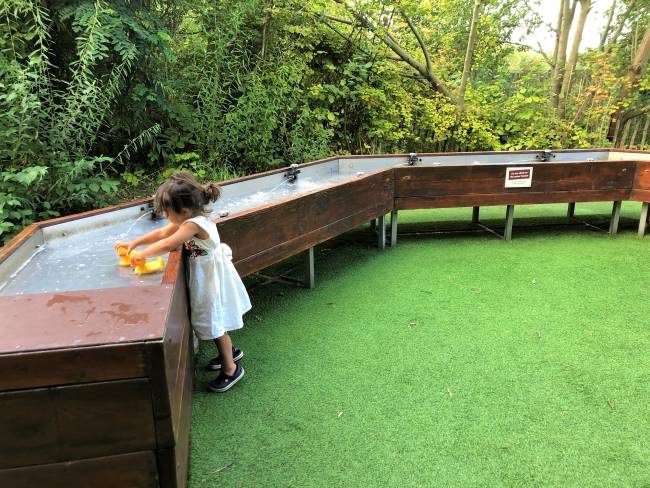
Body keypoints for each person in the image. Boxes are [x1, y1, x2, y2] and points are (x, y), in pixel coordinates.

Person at [115, 172, 251, 392]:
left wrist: (142, 255)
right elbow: (162, 233)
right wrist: (134, 243)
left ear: (184, 211)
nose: (166, 217)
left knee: (214, 323)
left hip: (211, 280)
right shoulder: (190, 219)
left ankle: (231, 368)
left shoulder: (193, 225)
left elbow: (169, 243)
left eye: (167, 212)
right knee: (215, 319)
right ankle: (230, 352)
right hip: (207, 276)